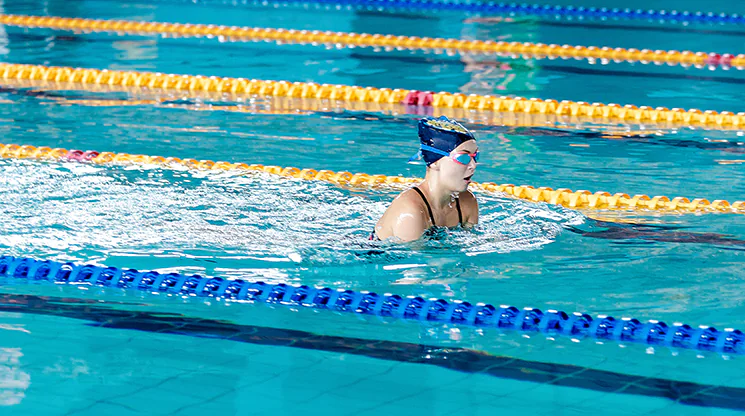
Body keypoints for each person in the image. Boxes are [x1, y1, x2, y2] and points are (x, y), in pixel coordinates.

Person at [371, 116, 480, 242]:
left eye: (475, 156)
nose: (473, 165)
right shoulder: (411, 212)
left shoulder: (468, 202)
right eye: (463, 158)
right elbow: (414, 259)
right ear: (434, 162)